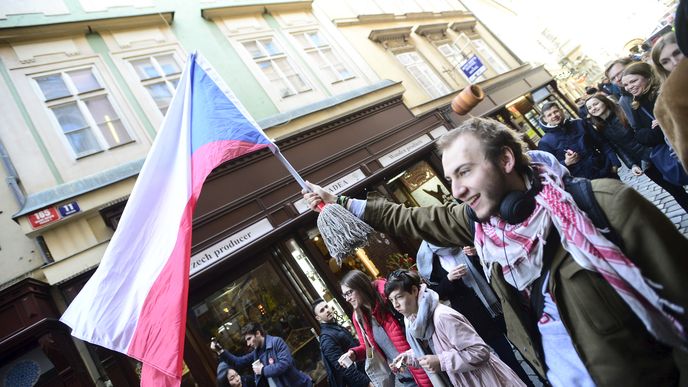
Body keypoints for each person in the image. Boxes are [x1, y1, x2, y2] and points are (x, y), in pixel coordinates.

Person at [302, 117, 688, 387]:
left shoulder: (604, 205)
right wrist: (338, 201)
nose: (456, 190)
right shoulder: (481, 225)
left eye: (465, 172)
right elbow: (411, 219)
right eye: (450, 178)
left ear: (505, 160)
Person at [415, 241, 535, 386]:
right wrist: (449, 279)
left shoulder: (463, 242)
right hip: (476, 316)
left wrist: (477, 254)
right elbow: (435, 293)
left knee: (527, 347)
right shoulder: (432, 264)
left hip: (498, 305)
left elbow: (494, 264)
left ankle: (542, 378)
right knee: (506, 357)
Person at [385, 269, 526, 387]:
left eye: (399, 297)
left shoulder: (442, 317)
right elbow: (437, 347)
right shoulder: (415, 322)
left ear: (414, 291)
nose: (395, 305)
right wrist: (409, 356)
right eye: (391, 300)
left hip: (486, 381)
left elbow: (480, 351)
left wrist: (441, 361)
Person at [585, 93, 688, 212]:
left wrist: (647, 155)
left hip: (655, 154)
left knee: (682, 180)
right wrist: (632, 164)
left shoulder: (623, 112)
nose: (593, 108)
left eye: (595, 104)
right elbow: (618, 147)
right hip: (644, 164)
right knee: (676, 192)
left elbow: (642, 133)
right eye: (590, 108)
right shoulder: (601, 127)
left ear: (604, 101)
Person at [338, 269, 432, 387]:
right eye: (344, 295)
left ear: (361, 286)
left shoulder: (389, 300)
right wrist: (354, 354)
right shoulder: (358, 317)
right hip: (403, 378)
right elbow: (367, 348)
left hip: (424, 366)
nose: (347, 298)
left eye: (349, 293)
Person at [621, 62, 688, 188]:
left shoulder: (664, 93)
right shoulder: (637, 104)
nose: (629, 87)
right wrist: (657, 130)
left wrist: (665, 121)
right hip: (673, 154)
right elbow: (641, 136)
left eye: (633, 81)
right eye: (625, 84)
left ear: (648, 77)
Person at [211, 322, 312, 387]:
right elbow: (239, 362)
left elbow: (284, 364)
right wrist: (220, 351)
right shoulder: (256, 352)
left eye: (249, 339)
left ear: (258, 333)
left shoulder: (276, 342)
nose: (248, 344)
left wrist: (262, 370)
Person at [537, 102, 620, 180]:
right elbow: (549, 169)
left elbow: (602, 143)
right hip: (582, 182)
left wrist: (614, 162)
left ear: (561, 111)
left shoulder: (580, 123)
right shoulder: (545, 142)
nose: (554, 115)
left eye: (556, 111)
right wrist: (566, 163)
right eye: (549, 115)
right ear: (545, 119)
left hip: (605, 170)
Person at [311, 299, 371, 387]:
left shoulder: (334, 326)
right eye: (322, 310)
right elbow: (345, 368)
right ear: (318, 318)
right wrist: (367, 383)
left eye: (326, 306)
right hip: (361, 380)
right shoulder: (326, 339)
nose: (327, 310)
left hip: (366, 369)